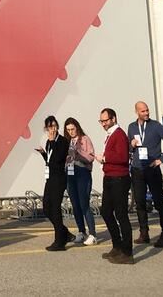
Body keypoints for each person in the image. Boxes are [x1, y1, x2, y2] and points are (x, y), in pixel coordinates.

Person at [128, 100, 163, 247]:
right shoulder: (131, 127)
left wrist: (161, 160)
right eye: (143, 111)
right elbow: (130, 148)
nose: (146, 113)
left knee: (158, 200)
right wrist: (131, 145)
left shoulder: (156, 126)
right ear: (137, 112)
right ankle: (144, 233)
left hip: (152, 168)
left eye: (147, 110)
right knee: (140, 202)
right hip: (137, 169)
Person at [96, 107, 134, 264]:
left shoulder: (119, 134)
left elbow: (122, 157)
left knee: (121, 215)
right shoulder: (111, 135)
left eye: (105, 120)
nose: (103, 124)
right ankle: (117, 245)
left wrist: (104, 158)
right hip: (110, 177)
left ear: (113, 119)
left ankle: (127, 252)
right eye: (101, 121)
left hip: (119, 178)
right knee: (105, 211)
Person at [34, 115, 72, 250]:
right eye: (50, 127)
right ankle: (64, 232)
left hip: (59, 179)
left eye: (55, 126)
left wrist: (53, 143)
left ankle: (59, 241)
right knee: (46, 207)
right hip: (50, 178)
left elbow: (58, 160)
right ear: (46, 129)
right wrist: (43, 153)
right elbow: (49, 161)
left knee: (55, 208)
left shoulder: (62, 141)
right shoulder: (48, 142)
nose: (53, 129)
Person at [64, 117, 98, 246]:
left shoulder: (84, 139)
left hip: (82, 172)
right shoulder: (67, 141)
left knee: (84, 203)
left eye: (72, 129)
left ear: (77, 127)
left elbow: (91, 157)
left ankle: (93, 234)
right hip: (70, 173)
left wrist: (78, 154)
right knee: (75, 204)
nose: (71, 132)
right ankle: (81, 231)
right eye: (68, 130)